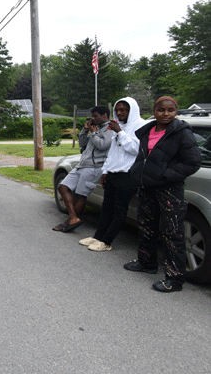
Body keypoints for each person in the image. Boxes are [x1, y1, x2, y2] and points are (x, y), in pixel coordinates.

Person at [123, 96, 201, 293]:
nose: (166, 114)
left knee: (172, 233)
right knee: (146, 227)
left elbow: (193, 163)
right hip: (147, 186)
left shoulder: (181, 133)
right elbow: (144, 157)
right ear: (154, 111)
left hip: (169, 189)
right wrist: (137, 172)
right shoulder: (148, 131)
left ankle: (174, 279)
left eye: (170, 110)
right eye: (161, 110)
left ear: (176, 111)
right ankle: (147, 263)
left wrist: (165, 175)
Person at [80, 97, 147, 251]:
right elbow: (113, 152)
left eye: (124, 109)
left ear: (132, 110)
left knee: (119, 209)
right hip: (112, 173)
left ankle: (107, 241)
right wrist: (105, 172)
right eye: (117, 109)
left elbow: (136, 149)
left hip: (127, 174)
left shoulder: (141, 125)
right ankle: (98, 236)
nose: (119, 112)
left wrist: (120, 132)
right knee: (107, 207)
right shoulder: (118, 126)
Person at [53, 105, 115, 233]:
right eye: (92, 116)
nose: (93, 119)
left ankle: (71, 220)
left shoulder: (110, 129)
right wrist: (85, 130)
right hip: (82, 165)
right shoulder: (95, 129)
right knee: (63, 187)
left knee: (81, 195)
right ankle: (73, 218)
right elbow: (83, 144)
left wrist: (94, 133)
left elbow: (103, 145)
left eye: (95, 116)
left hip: (94, 167)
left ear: (104, 116)